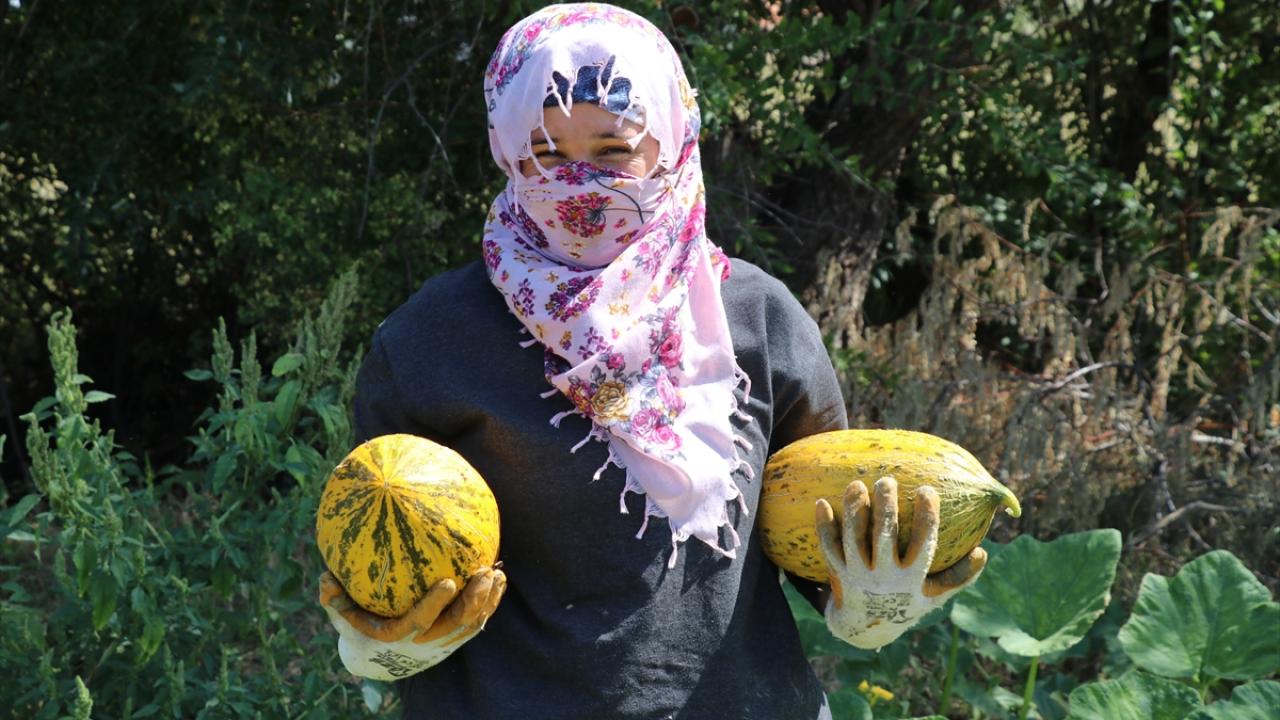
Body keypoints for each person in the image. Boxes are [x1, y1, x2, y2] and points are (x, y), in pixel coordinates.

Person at [318, 4, 987, 718]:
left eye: (613, 150)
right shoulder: (430, 338)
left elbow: (818, 535)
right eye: (547, 154)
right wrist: (382, 646)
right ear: (505, 151)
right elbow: (372, 563)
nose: (580, 183)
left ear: (672, 141)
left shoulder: (759, 318)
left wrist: (874, 605)